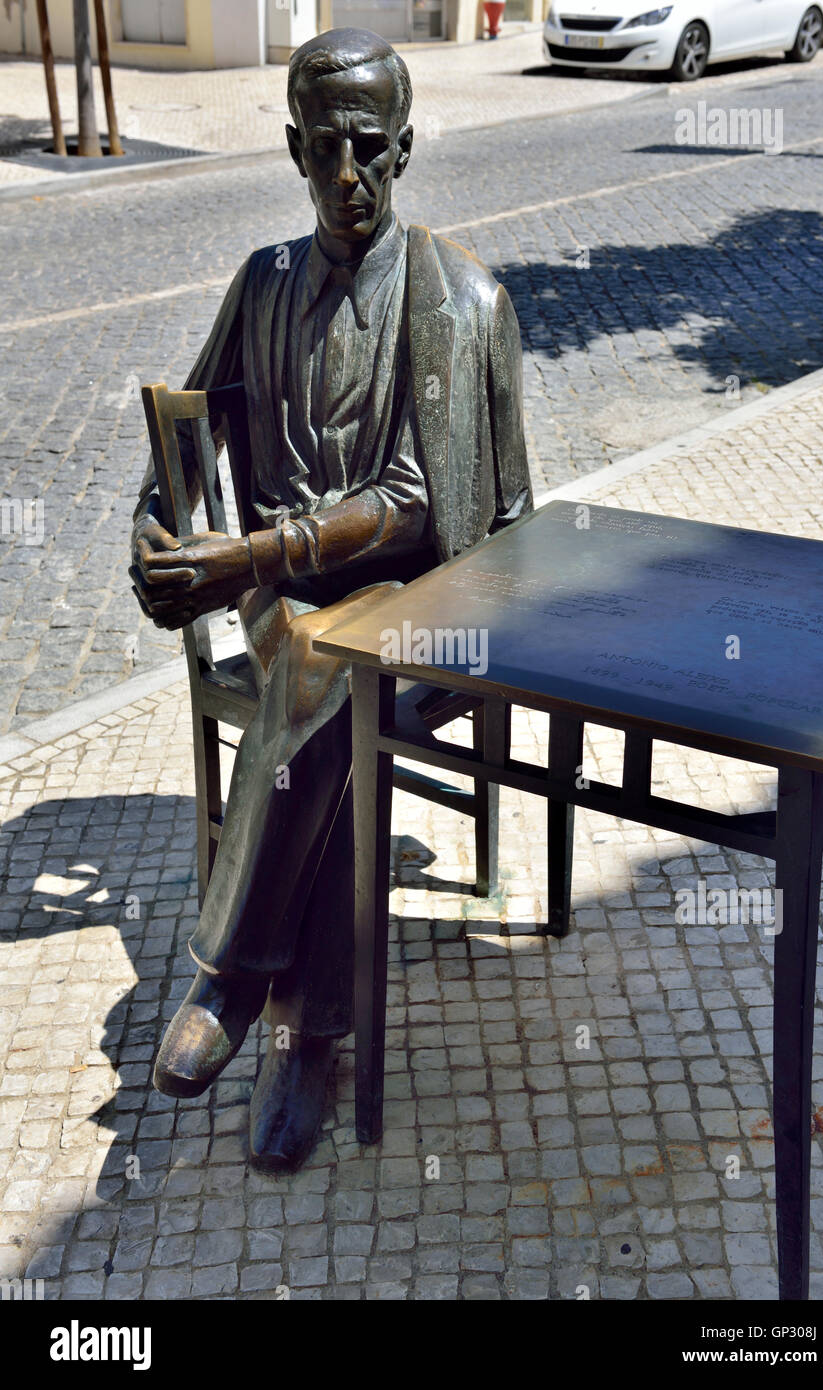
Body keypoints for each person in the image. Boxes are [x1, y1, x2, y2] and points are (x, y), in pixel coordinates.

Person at [129, 27, 532, 1172]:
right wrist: (156, 535)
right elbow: (191, 429)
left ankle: (241, 981)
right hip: (281, 593)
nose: (346, 175)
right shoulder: (260, 282)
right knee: (316, 669)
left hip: (428, 595)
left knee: (324, 669)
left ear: (403, 149)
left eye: (369, 148)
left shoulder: (454, 301)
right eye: (323, 149)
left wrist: (247, 557)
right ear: (292, 148)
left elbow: (418, 499)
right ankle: (313, 1036)